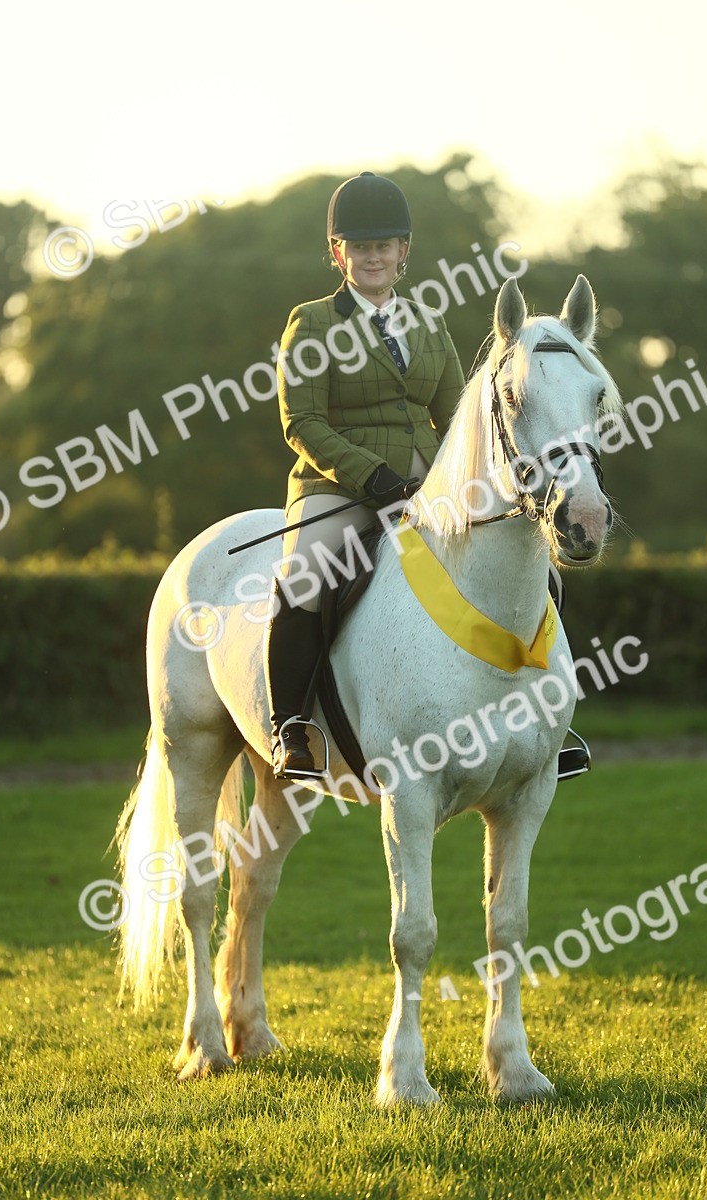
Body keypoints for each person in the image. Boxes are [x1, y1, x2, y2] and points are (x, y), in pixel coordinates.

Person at [265, 171, 465, 779]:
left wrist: (461, 476)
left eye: (384, 244)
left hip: (429, 488)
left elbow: (457, 415)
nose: (372, 255)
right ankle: (291, 727)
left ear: (404, 251)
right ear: (338, 253)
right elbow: (301, 420)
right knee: (307, 575)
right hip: (339, 486)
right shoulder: (313, 322)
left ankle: (547, 716)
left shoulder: (430, 323)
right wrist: (371, 475)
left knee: (525, 557)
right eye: (359, 245)